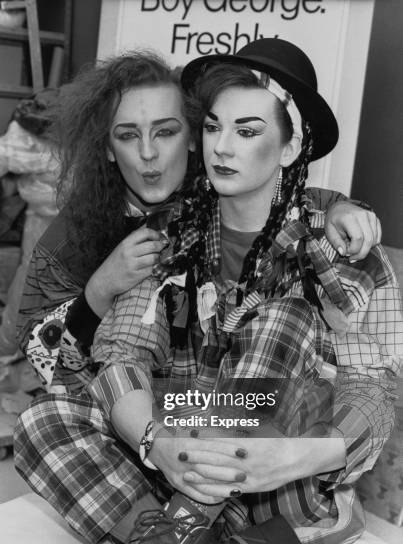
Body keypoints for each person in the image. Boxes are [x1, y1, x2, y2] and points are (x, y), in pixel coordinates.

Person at [15, 40, 402, 544]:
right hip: (182, 462)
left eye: (247, 132)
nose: (221, 147)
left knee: (279, 319)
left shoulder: (342, 251)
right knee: (43, 420)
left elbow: (375, 393)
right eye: (214, 127)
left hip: (281, 479)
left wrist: (295, 457)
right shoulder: (171, 233)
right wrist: (155, 440)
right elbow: (122, 352)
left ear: (291, 145)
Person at [15, 51, 380, 395]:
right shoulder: (72, 235)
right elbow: (47, 364)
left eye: (166, 132)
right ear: (108, 149)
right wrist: (100, 288)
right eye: (127, 135)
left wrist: (340, 207)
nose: (148, 154)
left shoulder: (211, 179)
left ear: (191, 138)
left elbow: (282, 191)